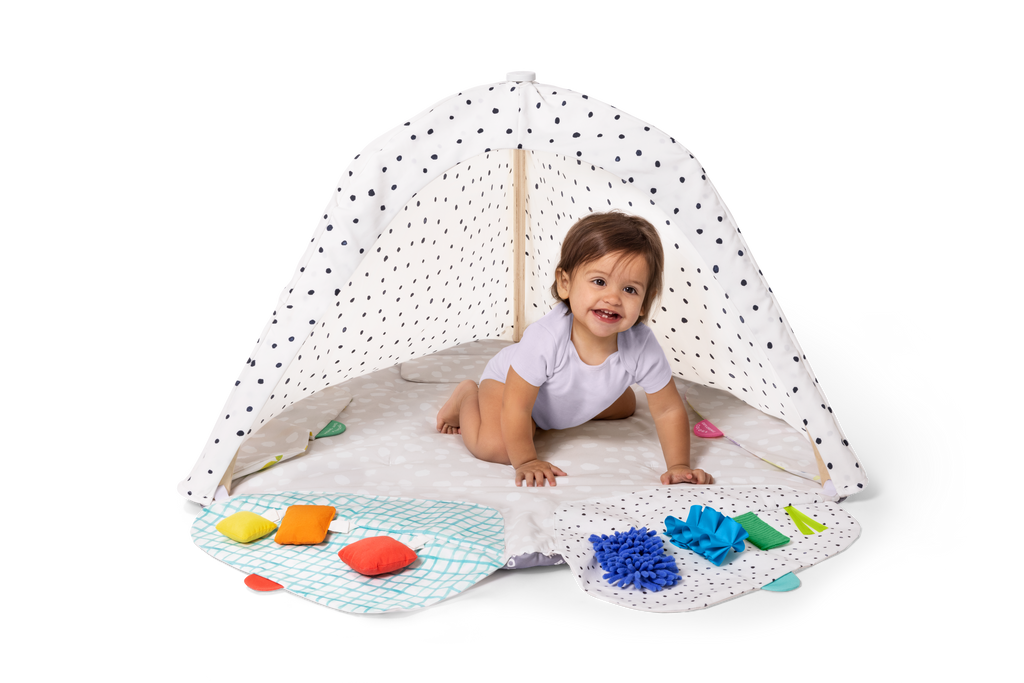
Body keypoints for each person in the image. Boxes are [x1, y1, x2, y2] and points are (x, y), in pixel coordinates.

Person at [436, 210, 713, 488]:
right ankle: (466, 395)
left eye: (630, 289)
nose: (613, 298)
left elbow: (668, 410)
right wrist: (526, 461)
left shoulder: (642, 346)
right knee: (496, 448)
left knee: (628, 405)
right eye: (599, 282)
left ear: (644, 303)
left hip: (559, 397)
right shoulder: (545, 338)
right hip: (508, 385)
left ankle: (542, 419)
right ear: (565, 283)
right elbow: (516, 405)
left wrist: (679, 466)